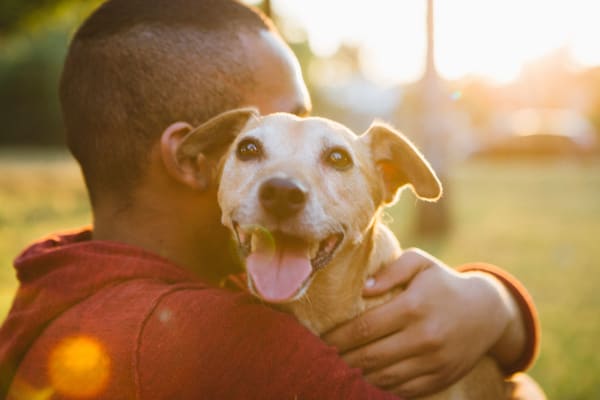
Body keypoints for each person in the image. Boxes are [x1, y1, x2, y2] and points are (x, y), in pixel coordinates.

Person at [0, 0, 543, 399]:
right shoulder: (231, 341)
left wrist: (496, 304)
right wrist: (500, 314)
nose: (288, 181)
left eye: (329, 155)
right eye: (258, 145)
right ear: (197, 158)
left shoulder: (59, 282)